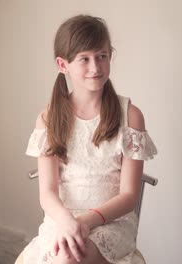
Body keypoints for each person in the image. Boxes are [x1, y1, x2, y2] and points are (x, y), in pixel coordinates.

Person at [21, 14, 158, 264]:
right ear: (63, 65)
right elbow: (48, 193)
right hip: (62, 218)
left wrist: (85, 221)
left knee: (70, 258)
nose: (95, 67)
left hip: (111, 221)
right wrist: (68, 222)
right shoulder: (49, 118)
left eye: (102, 56)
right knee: (64, 254)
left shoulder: (130, 117)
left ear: (110, 56)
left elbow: (128, 196)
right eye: (84, 59)